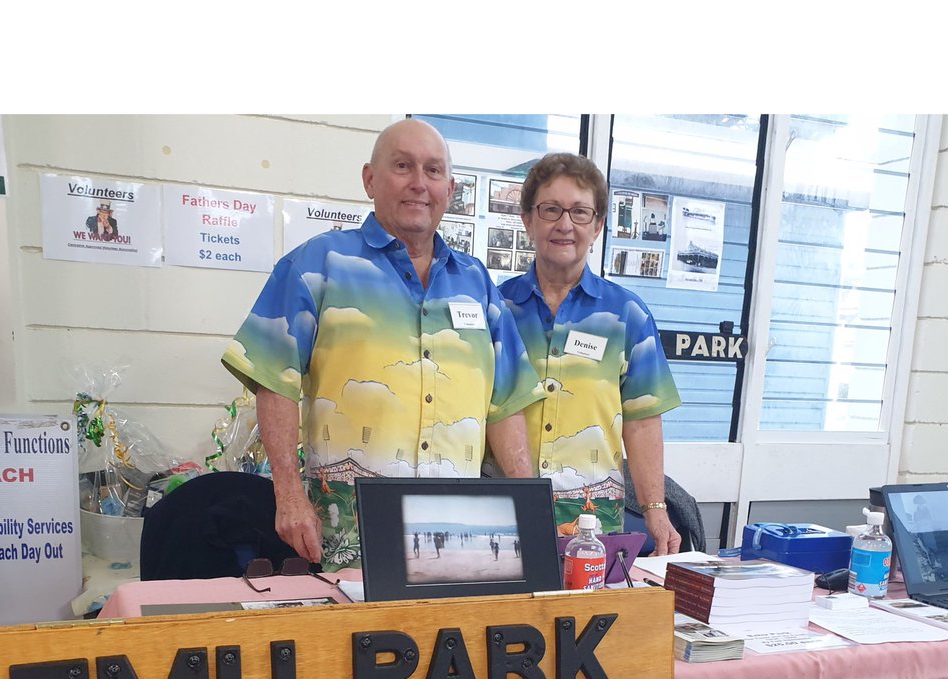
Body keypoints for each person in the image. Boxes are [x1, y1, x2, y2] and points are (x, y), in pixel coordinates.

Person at [221, 119, 539, 570]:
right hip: (349, 540)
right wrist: (288, 493)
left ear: (450, 190)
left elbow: (505, 405)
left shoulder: (478, 285)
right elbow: (274, 380)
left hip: (459, 543)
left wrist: (528, 509)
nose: (419, 183)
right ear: (370, 180)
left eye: (433, 171)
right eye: (402, 166)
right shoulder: (318, 264)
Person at [497, 153, 682, 553]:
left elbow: (642, 420)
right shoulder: (496, 309)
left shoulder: (627, 315)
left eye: (580, 212)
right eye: (550, 210)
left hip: (592, 521)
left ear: (597, 226)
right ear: (528, 220)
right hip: (501, 511)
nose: (565, 225)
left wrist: (655, 508)